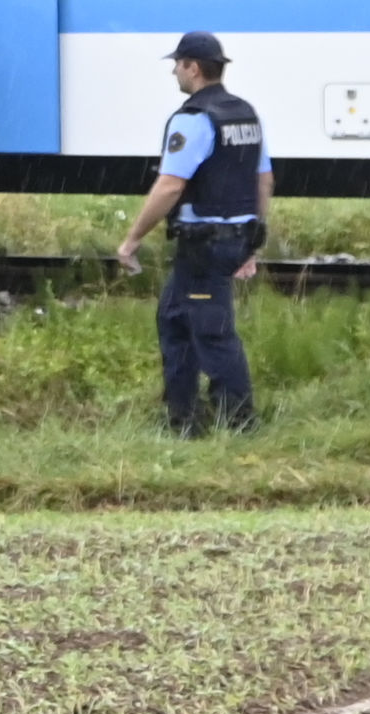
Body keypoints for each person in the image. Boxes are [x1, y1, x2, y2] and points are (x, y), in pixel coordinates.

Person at [114, 32, 266, 434]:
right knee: (174, 321)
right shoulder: (245, 114)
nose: (174, 71)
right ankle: (182, 420)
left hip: (204, 242)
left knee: (213, 334)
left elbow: (170, 185)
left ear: (193, 68)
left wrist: (132, 239)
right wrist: (251, 240)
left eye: (177, 64)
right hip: (229, 237)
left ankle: (239, 425)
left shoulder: (195, 118)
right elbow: (262, 180)